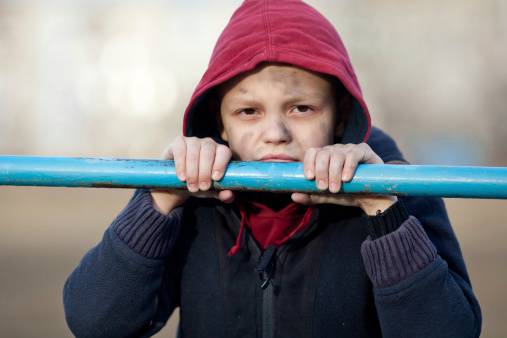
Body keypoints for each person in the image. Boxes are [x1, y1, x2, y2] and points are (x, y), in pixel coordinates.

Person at [63, 1, 481, 337]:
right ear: (219, 123)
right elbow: (96, 323)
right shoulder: (184, 196)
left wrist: (382, 213)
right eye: (248, 111)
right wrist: (160, 200)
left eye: (301, 108)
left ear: (339, 117)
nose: (275, 133)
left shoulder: (398, 187)